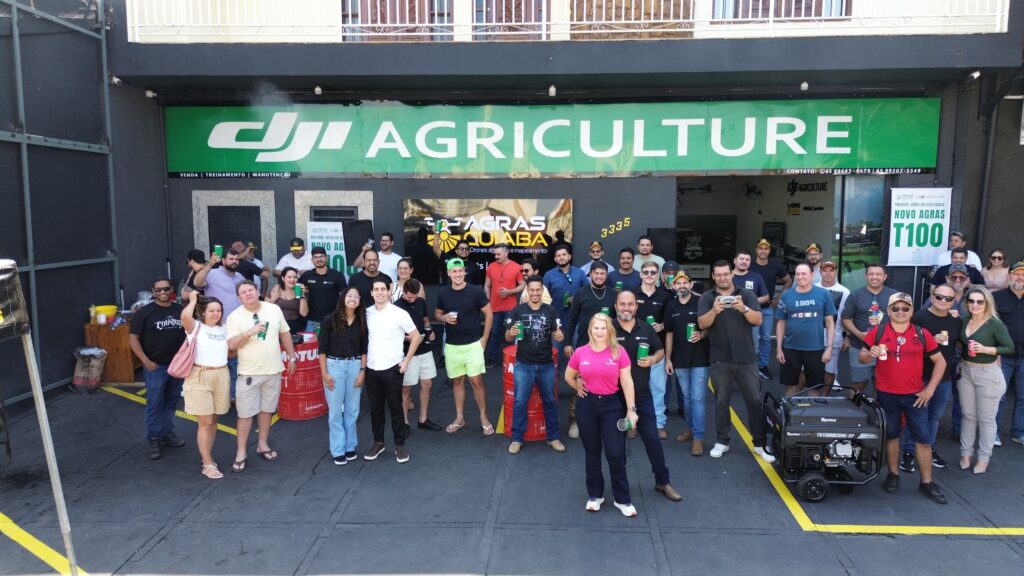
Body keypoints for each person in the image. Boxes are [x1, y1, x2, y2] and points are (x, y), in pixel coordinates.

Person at [861, 293, 947, 504]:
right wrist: (870, 353)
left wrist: (930, 389)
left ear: (911, 311)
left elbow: (941, 362)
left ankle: (927, 482)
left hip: (915, 396)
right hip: (886, 394)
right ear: (888, 311)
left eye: (905, 308)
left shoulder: (922, 333)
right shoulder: (878, 331)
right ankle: (893, 474)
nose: (900, 312)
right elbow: (862, 357)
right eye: (896, 308)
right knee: (891, 436)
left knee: (923, 439)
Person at [697, 260, 775, 463]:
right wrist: (714, 310)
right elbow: (702, 324)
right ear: (713, 276)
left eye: (725, 274)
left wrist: (744, 308)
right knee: (721, 402)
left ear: (732, 274)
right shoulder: (707, 297)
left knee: (754, 401)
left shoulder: (746, 295)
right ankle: (722, 441)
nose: (722, 278)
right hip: (720, 359)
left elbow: (758, 320)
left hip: (746, 358)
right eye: (718, 275)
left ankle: (759, 444)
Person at [565, 313, 640, 517]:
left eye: (603, 328)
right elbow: (568, 375)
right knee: (592, 451)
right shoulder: (580, 352)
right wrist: (577, 385)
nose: (599, 332)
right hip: (587, 406)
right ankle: (595, 495)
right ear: (590, 330)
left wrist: (631, 410)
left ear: (609, 330)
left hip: (611, 406)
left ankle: (622, 499)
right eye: (596, 328)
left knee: (616, 453)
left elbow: (627, 382)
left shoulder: (619, 352)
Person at [613, 291, 682, 502]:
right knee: (616, 447)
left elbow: (659, 350)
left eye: (630, 304)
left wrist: (653, 359)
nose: (626, 308)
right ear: (616, 306)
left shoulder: (646, 328)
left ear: (636, 306)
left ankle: (663, 482)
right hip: (614, 398)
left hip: (642, 396)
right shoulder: (607, 329)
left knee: (653, 440)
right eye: (622, 304)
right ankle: (621, 489)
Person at [226, 281, 298, 472]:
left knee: (267, 411)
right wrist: (248, 333)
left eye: (251, 290)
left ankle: (262, 445)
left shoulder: (273, 309)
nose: (248, 293)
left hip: (273, 370)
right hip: (248, 373)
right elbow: (232, 345)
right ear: (238, 296)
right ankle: (241, 452)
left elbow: (285, 334)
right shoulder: (234, 317)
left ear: (257, 291)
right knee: (245, 415)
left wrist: (292, 357)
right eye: (243, 292)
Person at [897, 283, 961, 473]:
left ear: (954, 301)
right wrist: (930, 339)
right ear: (932, 297)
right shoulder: (919, 318)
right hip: (918, 377)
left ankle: (929, 449)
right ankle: (908, 452)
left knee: (934, 417)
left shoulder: (956, 321)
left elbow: (961, 343)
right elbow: (905, 344)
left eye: (948, 298)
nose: (943, 301)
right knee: (916, 417)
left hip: (943, 378)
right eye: (939, 296)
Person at [364, 278, 423, 463]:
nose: (380, 292)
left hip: (393, 368)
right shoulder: (366, 313)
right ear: (372, 293)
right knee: (375, 409)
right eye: (376, 289)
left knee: (396, 408)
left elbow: (416, 337)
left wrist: (406, 361)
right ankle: (379, 442)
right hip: (372, 368)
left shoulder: (399, 313)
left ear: (389, 291)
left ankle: (399, 445)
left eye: (383, 289)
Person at [505, 275, 566, 454]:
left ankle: (553, 437)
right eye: (531, 290)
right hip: (524, 364)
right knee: (520, 402)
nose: (535, 293)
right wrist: (511, 333)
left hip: (546, 364)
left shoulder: (551, 311)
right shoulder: (517, 311)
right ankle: (517, 439)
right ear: (527, 291)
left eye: (538, 289)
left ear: (542, 290)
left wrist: (559, 336)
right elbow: (507, 337)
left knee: (550, 401)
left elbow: (557, 334)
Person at [128, 277, 186, 461]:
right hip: (156, 367)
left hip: (176, 367)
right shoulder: (144, 313)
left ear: (171, 290)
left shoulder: (179, 310)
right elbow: (133, 339)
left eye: (166, 289)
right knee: (154, 403)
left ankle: (166, 433)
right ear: (153, 292)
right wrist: (145, 361)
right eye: (158, 290)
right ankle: (153, 438)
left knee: (171, 401)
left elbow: (190, 334)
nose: (162, 292)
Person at [958, 287, 1015, 473]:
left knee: (986, 419)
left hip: (988, 374)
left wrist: (987, 350)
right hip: (966, 372)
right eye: (971, 301)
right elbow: (960, 342)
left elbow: (1009, 347)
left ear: (987, 303)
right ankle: (965, 453)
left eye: (980, 301)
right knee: (968, 415)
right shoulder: (964, 320)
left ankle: (983, 458)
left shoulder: (994, 324)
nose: (975, 305)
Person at [436, 258, 495, 435]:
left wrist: (484, 339)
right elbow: (437, 313)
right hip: (452, 345)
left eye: (460, 271)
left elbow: (489, 314)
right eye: (454, 271)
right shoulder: (443, 293)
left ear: (464, 272)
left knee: (476, 382)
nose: (458, 274)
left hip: (473, 344)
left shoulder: (476, 291)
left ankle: (483, 417)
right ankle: (460, 418)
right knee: (457, 381)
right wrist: (443, 318)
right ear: (449, 273)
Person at [179, 291, 229, 479]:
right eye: (211, 311)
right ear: (203, 312)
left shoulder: (224, 329)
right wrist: (193, 300)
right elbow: (185, 316)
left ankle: (208, 456)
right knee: (205, 421)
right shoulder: (196, 327)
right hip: (200, 375)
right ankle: (207, 464)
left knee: (214, 420)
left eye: (218, 311)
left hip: (221, 374)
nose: (216, 314)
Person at [565, 261, 617, 440]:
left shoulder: (613, 294)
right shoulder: (581, 293)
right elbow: (572, 319)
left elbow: (618, 321)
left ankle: (604, 421)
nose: (599, 276)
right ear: (590, 275)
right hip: (584, 345)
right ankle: (574, 421)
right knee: (580, 382)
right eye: (596, 273)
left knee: (607, 383)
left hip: (608, 347)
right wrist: (567, 343)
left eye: (602, 273)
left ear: (606, 275)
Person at [318, 286, 368, 465]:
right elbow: (322, 350)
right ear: (343, 298)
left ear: (360, 301)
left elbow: (364, 350)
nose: (352, 299)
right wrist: (324, 373)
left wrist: (362, 371)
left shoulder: (362, 322)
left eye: (356, 296)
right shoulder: (329, 320)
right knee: (335, 411)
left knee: (352, 410)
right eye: (349, 295)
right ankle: (338, 449)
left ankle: (350, 446)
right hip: (334, 366)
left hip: (355, 366)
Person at [664, 272, 710, 455]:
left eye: (685, 282)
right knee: (687, 397)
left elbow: (710, 326)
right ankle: (690, 428)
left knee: (698, 398)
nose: (682, 285)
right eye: (678, 283)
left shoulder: (700, 302)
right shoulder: (671, 306)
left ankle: (698, 437)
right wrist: (668, 358)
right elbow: (669, 333)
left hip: (700, 358)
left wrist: (702, 334)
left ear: (691, 285)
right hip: (680, 359)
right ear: (674, 286)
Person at [775, 263, 835, 397]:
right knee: (791, 385)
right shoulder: (786, 296)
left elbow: (830, 322)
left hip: (815, 348)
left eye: (804, 274)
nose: (800, 277)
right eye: (798, 274)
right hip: (790, 348)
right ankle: (790, 410)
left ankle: (812, 411)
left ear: (812, 275)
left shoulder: (824, 294)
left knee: (815, 387)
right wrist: (779, 348)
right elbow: (781, 323)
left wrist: (829, 348)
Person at [841, 263, 898, 394]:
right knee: (858, 384)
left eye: (878, 274)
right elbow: (845, 318)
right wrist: (858, 334)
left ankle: (878, 408)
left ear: (885, 276)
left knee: (882, 385)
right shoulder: (855, 295)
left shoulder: (894, 295)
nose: (874, 277)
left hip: (887, 348)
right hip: (859, 346)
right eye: (871, 274)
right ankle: (854, 407)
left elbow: (902, 318)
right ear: (865, 276)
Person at [394, 279, 442, 432]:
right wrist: (411, 338)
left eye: (415, 296)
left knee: (427, 383)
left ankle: (423, 419)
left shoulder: (421, 302)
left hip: (425, 349)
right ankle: (404, 422)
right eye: (410, 297)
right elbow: (394, 333)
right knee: (406, 388)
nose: (413, 299)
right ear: (403, 292)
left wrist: (430, 330)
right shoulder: (396, 307)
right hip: (407, 352)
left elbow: (425, 320)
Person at [633, 260, 670, 438]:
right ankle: (633, 422)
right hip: (634, 349)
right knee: (633, 388)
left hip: (657, 350)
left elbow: (671, 321)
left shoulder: (665, 296)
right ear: (640, 274)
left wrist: (662, 325)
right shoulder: (632, 294)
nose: (649, 275)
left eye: (653, 272)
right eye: (646, 272)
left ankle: (659, 423)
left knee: (658, 388)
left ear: (658, 275)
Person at [749, 238, 793, 379]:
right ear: (756, 250)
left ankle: (763, 365)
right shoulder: (750, 265)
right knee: (752, 338)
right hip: (751, 308)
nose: (763, 251)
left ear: (769, 251)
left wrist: (779, 297)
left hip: (767, 308)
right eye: (760, 248)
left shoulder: (775, 265)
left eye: (766, 249)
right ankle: (751, 366)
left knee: (766, 338)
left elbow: (788, 281)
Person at [994, 261, 1024, 447]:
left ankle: (1019, 432)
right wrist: (994, 351)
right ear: (1009, 276)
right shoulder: (996, 297)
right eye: (1017, 274)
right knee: (999, 396)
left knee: (1023, 397)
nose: (1020, 277)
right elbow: (989, 325)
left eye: (1023, 275)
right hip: (1003, 355)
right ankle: (994, 433)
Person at [484, 243, 524, 368]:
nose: (496, 256)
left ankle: (513, 358)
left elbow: (522, 285)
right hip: (494, 306)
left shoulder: (516, 267)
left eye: (498, 254)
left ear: (506, 253)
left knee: (512, 333)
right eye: (495, 254)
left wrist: (509, 292)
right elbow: (487, 285)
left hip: (510, 307)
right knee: (494, 333)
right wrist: (487, 300)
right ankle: (492, 358)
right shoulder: (491, 266)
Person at [815, 259, 850, 389]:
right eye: (825, 270)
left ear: (836, 271)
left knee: (830, 369)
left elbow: (846, 315)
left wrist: (847, 336)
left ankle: (827, 391)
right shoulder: (813, 288)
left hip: (834, 335)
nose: (828, 273)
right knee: (809, 367)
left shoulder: (844, 291)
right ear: (820, 272)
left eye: (831, 270)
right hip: (813, 336)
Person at [299, 246, 347, 333]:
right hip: (313, 321)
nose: (319, 259)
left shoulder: (337, 275)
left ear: (326, 258)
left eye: (321, 256)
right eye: (316, 257)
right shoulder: (307, 275)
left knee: (333, 342)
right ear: (312, 260)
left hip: (333, 320)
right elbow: (295, 288)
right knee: (313, 342)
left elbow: (344, 297)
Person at [732, 250, 770, 359]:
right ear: (735, 260)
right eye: (741, 259)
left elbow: (766, 297)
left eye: (747, 259)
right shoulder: (727, 276)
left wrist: (748, 303)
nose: (744, 261)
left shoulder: (756, 277)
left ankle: (753, 368)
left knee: (752, 349)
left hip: (751, 319)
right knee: (730, 347)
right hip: (730, 319)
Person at [543, 246, 586, 330]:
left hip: (577, 319)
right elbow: (544, 297)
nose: (561, 257)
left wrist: (577, 299)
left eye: (564, 254)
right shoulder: (548, 275)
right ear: (555, 259)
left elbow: (587, 292)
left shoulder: (580, 273)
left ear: (569, 256)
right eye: (558, 255)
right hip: (556, 319)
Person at [267, 266, 308, 334]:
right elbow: (265, 310)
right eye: (289, 277)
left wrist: (302, 295)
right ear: (283, 278)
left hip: (294, 326)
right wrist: (273, 300)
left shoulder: (299, 290)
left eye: (295, 277)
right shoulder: (276, 289)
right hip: (276, 324)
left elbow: (304, 313)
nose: (292, 279)